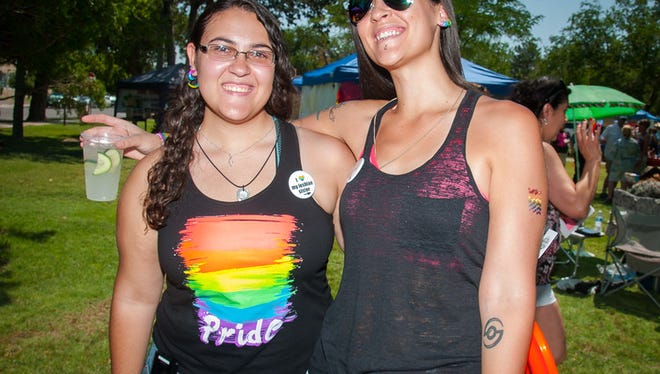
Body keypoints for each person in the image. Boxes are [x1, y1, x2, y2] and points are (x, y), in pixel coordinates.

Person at [84, 0, 547, 371]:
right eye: (361, 6)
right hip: (337, 359)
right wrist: (160, 143)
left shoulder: (503, 125)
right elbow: (248, 129)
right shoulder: (359, 120)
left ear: (442, 9)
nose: (378, 11)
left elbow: (508, 287)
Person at [98, 1, 355, 372]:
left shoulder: (327, 161)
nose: (240, 66)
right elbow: (136, 299)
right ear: (193, 56)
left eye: (258, 53)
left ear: (274, 67)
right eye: (222, 48)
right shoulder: (152, 175)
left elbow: (373, 273)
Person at [509, 77, 602, 364]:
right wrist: (594, 160)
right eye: (564, 112)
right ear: (547, 111)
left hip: (511, 270)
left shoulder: (506, 143)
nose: (564, 121)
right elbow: (576, 205)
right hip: (529, 275)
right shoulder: (541, 148)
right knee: (551, 354)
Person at [606, 124, 641, 199]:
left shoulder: (618, 142)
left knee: (612, 180)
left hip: (617, 163)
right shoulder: (634, 143)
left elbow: (612, 153)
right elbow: (637, 154)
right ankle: (622, 197)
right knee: (624, 181)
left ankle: (609, 197)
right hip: (628, 164)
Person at [599, 116, 626, 198]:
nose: (623, 122)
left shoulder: (625, 130)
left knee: (617, 175)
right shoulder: (610, 128)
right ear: (618, 120)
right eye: (622, 120)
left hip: (620, 156)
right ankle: (604, 191)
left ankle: (611, 191)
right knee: (610, 174)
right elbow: (601, 138)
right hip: (610, 155)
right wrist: (606, 141)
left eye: (624, 120)